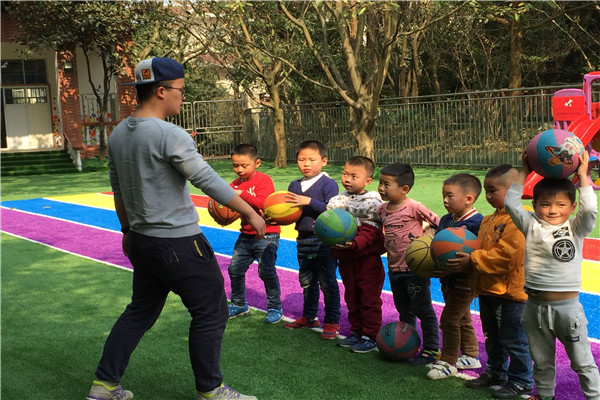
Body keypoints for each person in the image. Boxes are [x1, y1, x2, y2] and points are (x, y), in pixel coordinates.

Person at [87, 57, 264, 400]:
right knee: (211, 311)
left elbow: (118, 189)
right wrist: (251, 212)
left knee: (139, 312)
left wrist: (126, 231)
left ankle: (104, 385)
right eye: (181, 90)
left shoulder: (119, 134)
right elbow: (206, 179)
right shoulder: (170, 133)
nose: (182, 97)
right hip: (179, 243)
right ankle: (211, 390)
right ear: (161, 90)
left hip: (141, 241)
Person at [506, 151, 599, 400]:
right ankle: (545, 396)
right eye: (545, 204)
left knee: (582, 362)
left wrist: (582, 177)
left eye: (560, 204)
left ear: (571, 207)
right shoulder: (530, 224)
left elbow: (590, 209)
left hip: (567, 310)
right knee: (542, 361)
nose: (552, 210)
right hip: (534, 308)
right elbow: (510, 204)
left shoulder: (576, 227)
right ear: (535, 206)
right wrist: (523, 171)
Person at [451, 164, 534, 399]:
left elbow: (509, 256)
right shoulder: (489, 219)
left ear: (514, 190)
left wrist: (472, 260)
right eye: (486, 190)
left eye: (493, 190)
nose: (487, 196)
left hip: (511, 293)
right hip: (487, 289)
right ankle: (496, 372)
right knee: (492, 336)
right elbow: (480, 247)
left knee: (514, 339)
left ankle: (522, 380)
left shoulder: (521, 218)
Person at [377, 163, 441, 365]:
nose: (381, 188)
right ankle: (407, 344)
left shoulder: (414, 206)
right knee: (404, 310)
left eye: (387, 184)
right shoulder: (382, 210)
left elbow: (439, 222)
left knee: (423, 309)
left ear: (404, 189)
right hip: (394, 269)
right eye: (380, 183)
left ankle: (431, 349)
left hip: (415, 269)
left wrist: (428, 237)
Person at [282, 140, 341, 340]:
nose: (306, 164)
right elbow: (289, 213)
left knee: (328, 282)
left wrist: (309, 201)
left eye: (312, 159)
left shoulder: (328, 184)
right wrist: (275, 215)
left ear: (324, 161)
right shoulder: (294, 185)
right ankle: (309, 317)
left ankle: (332, 321)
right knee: (307, 282)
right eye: (301, 159)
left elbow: (333, 211)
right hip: (303, 240)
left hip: (323, 241)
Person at [427, 173, 483, 380]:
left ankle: (448, 361)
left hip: (466, 281)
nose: (444, 200)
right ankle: (470, 355)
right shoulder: (446, 220)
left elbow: (478, 255)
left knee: (449, 320)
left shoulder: (478, 224)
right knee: (462, 317)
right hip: (447, 280)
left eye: (450, 196)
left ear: (469, 199)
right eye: (443, 195)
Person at [327, 156, 386, 353]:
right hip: (345, 260)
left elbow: (372, 231)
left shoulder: (373, 202)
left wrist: (354, 243)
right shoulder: (337, 200)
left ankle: (370, 335)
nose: (347, 179)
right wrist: (322, 229)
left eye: (354, 176)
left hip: (367, 260)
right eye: (345, 174)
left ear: (368, 180)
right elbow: (328, 223)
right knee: (352, 297)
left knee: (368, 298)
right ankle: (356, 331)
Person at [226, 144, 283, 324]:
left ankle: (275, 308)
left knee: (266, 272)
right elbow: (229, 207)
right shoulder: (233, 184)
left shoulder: (264, 180)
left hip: (267, 235)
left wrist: (241, 193)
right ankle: (239, 304)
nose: (239, 169)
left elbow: (263, 203)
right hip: (245, 235)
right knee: (234, 269)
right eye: (236, 165)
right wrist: (223, 216)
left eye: (244, 165)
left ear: (257, 163)